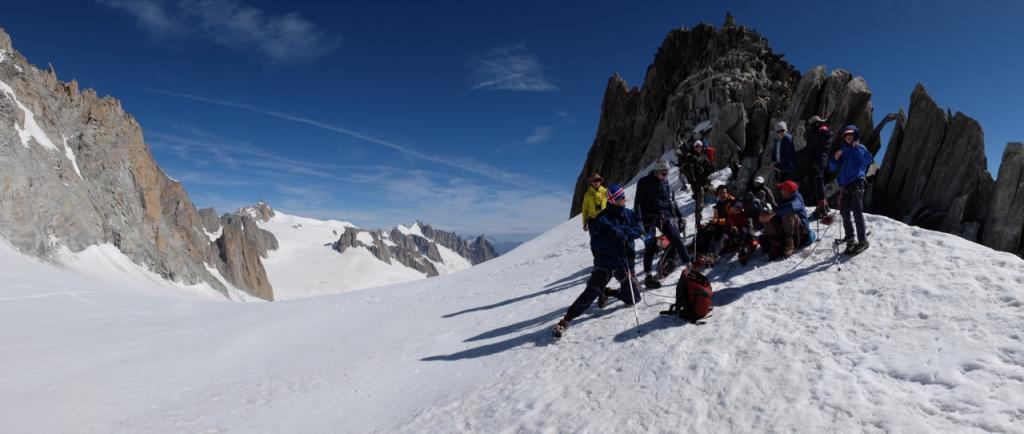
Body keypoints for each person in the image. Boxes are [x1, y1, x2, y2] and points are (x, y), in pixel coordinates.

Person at [552, 184, 645, 339]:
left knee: (634, 299)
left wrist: (624, 231)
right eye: (622, 197)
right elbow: (596, 244)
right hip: (606, 263)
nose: (625, 199)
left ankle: (609, 292)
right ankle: (566, 319)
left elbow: (639, 230)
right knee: (591, 292)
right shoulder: (601, 219)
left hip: (624, 262)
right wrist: (613, 237)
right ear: (614, 200)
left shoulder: (629, 214)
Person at [635, 159, 691, 289]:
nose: (666, 176)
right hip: (648, 218)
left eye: (667, 173)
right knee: (650, 246)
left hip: (663, 215)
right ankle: (648, 275)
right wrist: (638, 223)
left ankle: (689, 266)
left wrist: (679, 217)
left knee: (676, 239)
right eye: (663, 173)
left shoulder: (665, 182)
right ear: (656, 171)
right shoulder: (643, 182)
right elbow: (637, 203)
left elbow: (670, 202)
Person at [830, 125, 874, 255]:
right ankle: (850, 239)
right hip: (845, 186)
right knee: (844, 213)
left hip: (857, 183)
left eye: (850, 134)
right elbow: (832, 168)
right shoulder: (843, 151)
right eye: (846, 135)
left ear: (855, 135)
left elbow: (868, 160)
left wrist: (857, 148)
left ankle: (863, 241)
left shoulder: (860, 147)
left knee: (857, 213)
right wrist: (835, 159)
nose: (848, 137)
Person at [758, 180, 809, 259]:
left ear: (787, 191)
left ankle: (790, 244)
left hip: (800, 233)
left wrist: (774, 212)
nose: (781, 191)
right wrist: (765, 215)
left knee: (788, 213)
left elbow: (790, 207)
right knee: (768, 216)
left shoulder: (797, 198)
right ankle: (776, 245)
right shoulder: (783, 199)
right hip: (787, 229)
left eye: (782, 190)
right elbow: (777, 212)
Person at [675, 140, 715, 227]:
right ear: (694, 147)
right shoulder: (691, 158)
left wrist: (710, 168)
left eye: (699, 146)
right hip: (698, 184)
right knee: (700, 205)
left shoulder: (703, 156)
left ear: (702, 147)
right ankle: (698, 225)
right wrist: (694, 183)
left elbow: (708, 165)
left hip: (705, 181)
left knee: (717, 192)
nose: (698, 148)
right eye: (696, 146)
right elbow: (690, 172)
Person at [804, 116, 834, 220]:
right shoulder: (826, 131)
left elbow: (812, 145)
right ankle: (824, 206)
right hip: (822, 160)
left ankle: (822, 206)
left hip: (818, 160)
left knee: (819, 182)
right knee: (819, 181)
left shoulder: (820, 132)